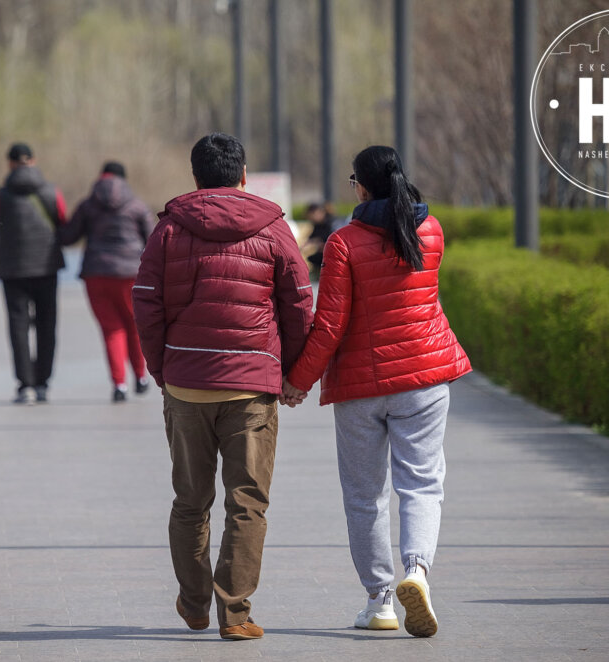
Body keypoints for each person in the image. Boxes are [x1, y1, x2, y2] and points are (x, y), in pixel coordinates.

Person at [282, 145, 471, 637]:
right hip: (426, 379)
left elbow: (330, 326)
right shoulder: (430, 230)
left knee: (366, 496)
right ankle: (417, 573)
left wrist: (296, 382)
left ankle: (380, 601)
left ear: (361, 187)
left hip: (362, 389)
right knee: (422, 483)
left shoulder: (345, 242)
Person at [133, 133, 313, 641]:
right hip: (252, 388)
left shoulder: (169, 228)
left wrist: (162, 369)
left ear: (195, 177)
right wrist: (291, 372)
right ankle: (234, 614)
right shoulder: (274, 228)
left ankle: (194, 604)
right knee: (246, 502)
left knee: (190, 502)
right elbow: (300, 302)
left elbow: (145, 299)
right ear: (244, 174)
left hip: (187, 388)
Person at [58, 161, 155, 403]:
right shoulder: (137, 205)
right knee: (134, 326)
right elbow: (154, 240)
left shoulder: (88, 205)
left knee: (112, 329)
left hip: (96, 275)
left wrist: (52, 221)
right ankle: (141, 377)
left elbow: (68, 236)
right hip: (131, 275)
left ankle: (119, 384)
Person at [0, 142, 68, 405]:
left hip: (12, 269)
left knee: (18, 327)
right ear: (33, 160)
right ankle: (43, 383)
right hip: (46, 267)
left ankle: (25, 386)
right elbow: (63, 220)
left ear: (9, 163)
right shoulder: (52, 192)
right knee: (47, 324)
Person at [299, 202, 335, 279]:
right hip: (321, 256)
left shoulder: (332, 223)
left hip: (332, 257)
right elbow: (311, 238)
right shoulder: (317, 224)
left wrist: (317, 243)